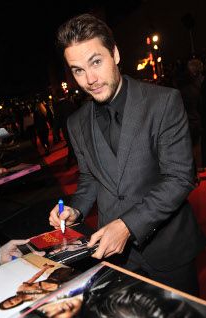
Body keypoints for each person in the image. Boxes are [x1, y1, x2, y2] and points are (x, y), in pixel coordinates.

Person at [49, 13, 206, 296]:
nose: (90, 79)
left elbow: (180, 178)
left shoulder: (163, 102)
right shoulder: (76, 122)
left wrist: (127, 226)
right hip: (115, 257)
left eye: (96, 62)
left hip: (169, 249)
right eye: (78, 70)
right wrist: (76, 210)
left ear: (115, 54)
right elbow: (89, 178)